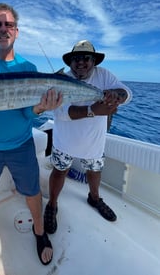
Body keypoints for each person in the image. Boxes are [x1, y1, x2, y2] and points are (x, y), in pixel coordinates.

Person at [0, 3, 62, 265]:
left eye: (9, 25)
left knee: (31, 191)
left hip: (20, 144)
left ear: (17, 32)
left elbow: (28, 114)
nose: (3, 29)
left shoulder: (28, 67)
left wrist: (41, 108)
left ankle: (39, 231)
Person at [44, 40, 132, 234]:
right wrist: (94, 110)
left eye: (86, 58)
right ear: (70, 62)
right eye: (76, 58)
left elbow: (126, 93)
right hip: (64, 142)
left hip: (94, 143)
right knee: (59, 172)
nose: (81, 62)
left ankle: (94, 198)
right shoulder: (61, 80)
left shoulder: (104, 75)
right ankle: (52, 204)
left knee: (94, 173)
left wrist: (116, 96)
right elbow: (61, 113)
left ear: (94, 61)